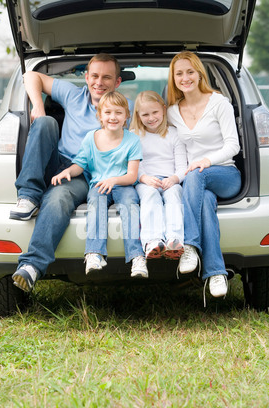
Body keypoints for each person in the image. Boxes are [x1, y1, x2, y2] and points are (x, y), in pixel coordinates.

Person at [11, 53, 133, 292]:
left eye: (106, 77)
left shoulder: (124, 110)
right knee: (46, 123)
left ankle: (32, 265)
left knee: (57, 199)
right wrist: (37, 105)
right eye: (94, 76)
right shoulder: (73, 95)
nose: (99, 82)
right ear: (86, 77)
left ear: (117, 82)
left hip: (90, 174)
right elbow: (31, 75)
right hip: (61, 162)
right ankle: (28, 196)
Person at [167, 51, 241, 300]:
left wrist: (206, 161)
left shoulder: (218, 102)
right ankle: (216, 273)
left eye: (190, 72)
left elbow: (234, 146)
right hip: (196, 182)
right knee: (206, 202)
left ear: (200, 74)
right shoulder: (172, 112)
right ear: (173, 78)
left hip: (225, 174)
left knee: (196, 175)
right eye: (179, 73)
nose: (185, 77)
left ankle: (189, 245)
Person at [51, 91, 148, 278]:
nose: (113, 117)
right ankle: (94, 253)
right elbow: (79, 165)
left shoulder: (132, 140)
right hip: (99, 185)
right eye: (108, 112)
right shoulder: (91, 138)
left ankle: (137, 256)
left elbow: (132, 175)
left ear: (127, 116)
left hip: (124, 184)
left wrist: (113, 180)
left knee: (130, 205)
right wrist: (67, 172)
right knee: (95, 203)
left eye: (119, 113)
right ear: (100, 116)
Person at [130, 90, 187, 260]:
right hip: (146, 181)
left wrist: (174, 179)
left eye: (155, 112)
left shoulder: (174, 134)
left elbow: (182, 166)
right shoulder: (134, 135)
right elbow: (134, 165)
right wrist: (144, 178)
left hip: (171, 180)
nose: (151, 118)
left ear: (163, 109)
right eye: (145, 114)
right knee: (150, 196)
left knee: (175, 195)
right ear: (138, 116)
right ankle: (152, 241)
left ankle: (174, 240)